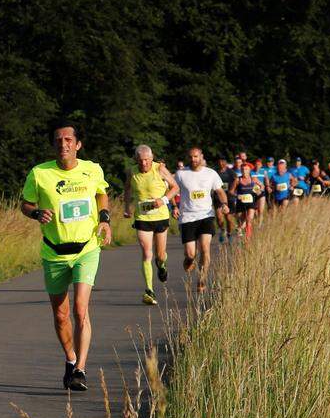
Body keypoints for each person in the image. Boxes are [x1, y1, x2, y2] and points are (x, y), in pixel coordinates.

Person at [20, 124, 112, 392]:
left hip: (86, 248)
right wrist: (36, 213)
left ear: (78, 144)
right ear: (54, 145)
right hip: (54, 252)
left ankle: (81, 370)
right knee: (61, 316)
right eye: (59, 140)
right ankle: (70, 360)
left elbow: (101, 193)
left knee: (80, 309)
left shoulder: (92, 169)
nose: (64, 144)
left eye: (69, 139)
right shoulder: (39, 173)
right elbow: (26, 203)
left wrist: (104, 219)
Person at [123, 145, 179, 305]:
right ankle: (149, 291)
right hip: (142, 218)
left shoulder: (160, 169)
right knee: (147, 253)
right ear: (136, 160)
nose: (144, 164)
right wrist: (127, 208)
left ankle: (162, 266)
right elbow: (127, 189)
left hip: (160, 217)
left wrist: (164, 200)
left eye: (147, 160)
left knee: (160, 255)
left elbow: (175, 187)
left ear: (152, 158)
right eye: (140, 161)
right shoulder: (131, 171)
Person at [174, 147, 228, 293]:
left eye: (196, 156)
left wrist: (224, 204)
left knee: (205, 248)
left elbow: (220, 191)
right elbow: (172, 190)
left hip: (206, 216)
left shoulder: (211, 173)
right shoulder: (181, 174)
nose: (193, 159)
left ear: (201, 156)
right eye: (191, 157)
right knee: (191, 254)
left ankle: (202, 279)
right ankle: (189, 259)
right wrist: (174, 206)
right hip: (187, 218)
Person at [230, 164, 258, 239]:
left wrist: (258, 190)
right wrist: (236, 195)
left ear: (249, 170)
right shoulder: (238, 180)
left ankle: (247, 240)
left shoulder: (253, 179)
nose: (244, 171)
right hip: (241, 203)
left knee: (249, 220)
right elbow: (231, 191)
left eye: (246, 169)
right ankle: (239, 229)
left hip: (251, 202)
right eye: (242, 169)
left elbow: (261, 186)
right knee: (241, 222)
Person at [216, 156, 237, 243]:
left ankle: (229, 233)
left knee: (228, 218)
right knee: (219, 217)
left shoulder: (230, 172)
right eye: (220, 162)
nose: (221, 163)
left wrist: (232, 189)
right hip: (218, 197)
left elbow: (236, 179)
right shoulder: (216, 172)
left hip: (229, 197)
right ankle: (222, 230)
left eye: (223, 161)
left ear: (225, 162)